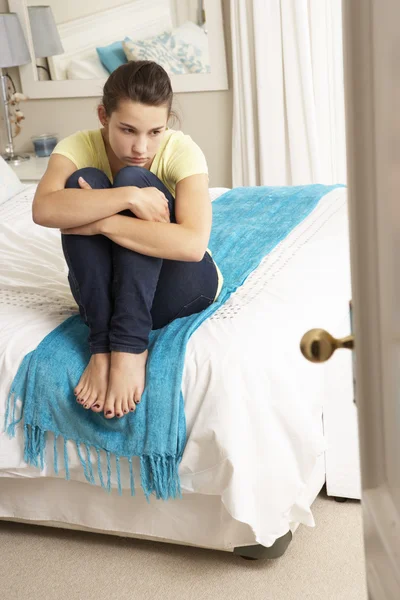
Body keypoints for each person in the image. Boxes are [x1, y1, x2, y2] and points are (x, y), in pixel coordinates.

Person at [32, 60, 223, 421]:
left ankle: (129, 348)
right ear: (104, 116)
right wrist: (128, 200)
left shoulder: (181, 151)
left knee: (133, 176)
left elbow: (192, 245)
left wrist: (100, 222)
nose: (141, 146)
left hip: (182, 283)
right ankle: (102, 346)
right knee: (82, 180)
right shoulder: (80, 146)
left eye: (155, 132)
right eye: (128, 129)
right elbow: (43, 209)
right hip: (108, 291)